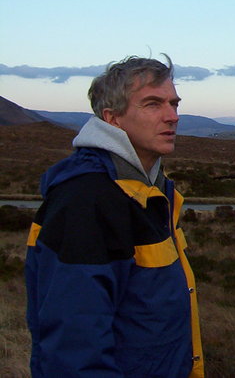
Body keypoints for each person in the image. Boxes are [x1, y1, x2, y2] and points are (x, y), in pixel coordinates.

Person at [25, 55, 204, 378]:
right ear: (113, 118)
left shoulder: (149, 192)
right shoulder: (89, 201)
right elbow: (73, 352)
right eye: (153, 104)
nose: (172, 116)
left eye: (174, 104)